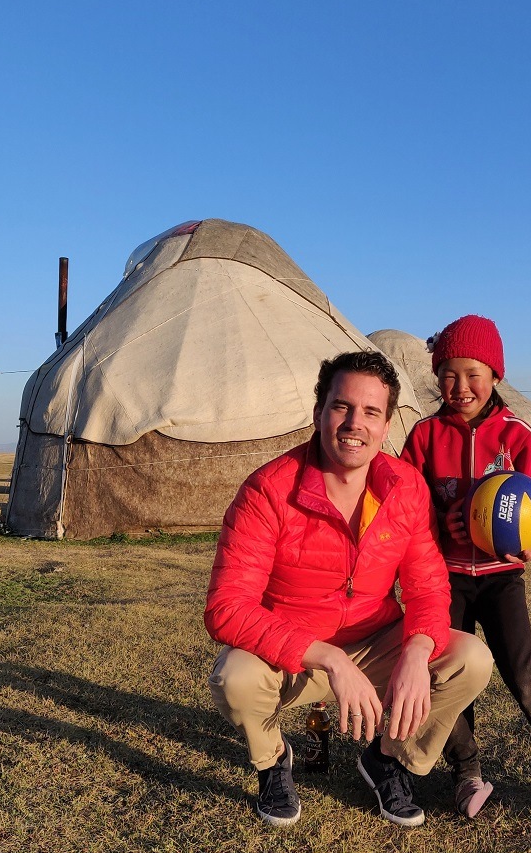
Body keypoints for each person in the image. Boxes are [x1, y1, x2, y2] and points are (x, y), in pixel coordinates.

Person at [205, 351, 493, 827]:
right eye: (342, 407)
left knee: (471, 658)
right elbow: (226, 608)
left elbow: (427, 585)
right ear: (319, 412)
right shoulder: (268, 490)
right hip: (295, 649)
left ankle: (389, 760)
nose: (354, 423)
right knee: (235, 676)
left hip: (376, 638)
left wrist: (418, 652)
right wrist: (330, 659)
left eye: (371, 412)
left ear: (386, 425)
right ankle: (273, 760)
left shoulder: (406, 488)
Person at [400, 315, 531, 828]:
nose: (460, 387)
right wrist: (449, 523)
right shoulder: (423, 436)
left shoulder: (519, 435)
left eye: (473, 374)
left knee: (522, 675)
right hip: (443, 578)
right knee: (451, 673)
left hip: (501, 577)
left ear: (495, 375)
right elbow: (407, 506)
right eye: (448, 375)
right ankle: (466, 773)